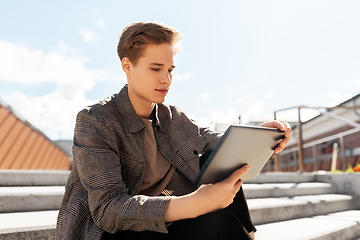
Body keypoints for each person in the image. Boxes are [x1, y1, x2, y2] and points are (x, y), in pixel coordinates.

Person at [56, 22, 291, 240]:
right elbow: (109, 210)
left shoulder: (172, 116)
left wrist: (265, 139)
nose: (166, 79)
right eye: (156, 68)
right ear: (127, 66)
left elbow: (218, 143)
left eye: (170, 70)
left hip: (167, 220)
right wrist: (196, 203)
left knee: (221, 174)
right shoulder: (96, 121)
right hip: (115, 231)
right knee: (217, 220)